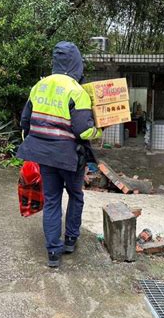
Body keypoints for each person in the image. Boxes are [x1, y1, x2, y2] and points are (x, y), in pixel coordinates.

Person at [17, 41, 102, 268]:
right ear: (77, 63)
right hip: (69, 158)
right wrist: (99, 130)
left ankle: (53, 253)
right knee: (75, 195)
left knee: (52, 200)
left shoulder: (39, 86)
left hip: (44, 156)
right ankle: (71, 239)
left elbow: (25, 122)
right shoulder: (77, 91)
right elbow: (83, 130)